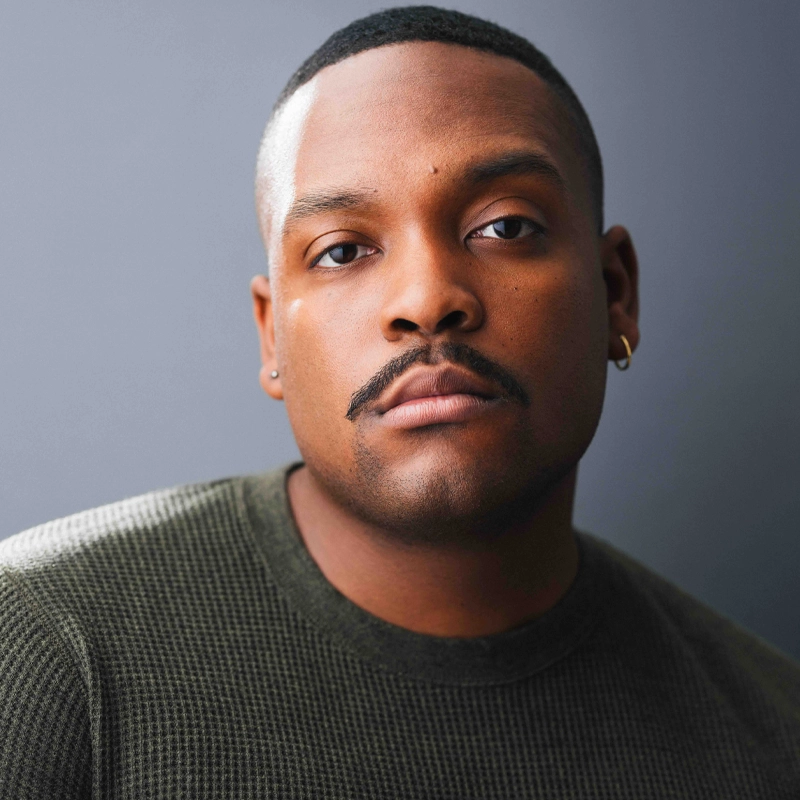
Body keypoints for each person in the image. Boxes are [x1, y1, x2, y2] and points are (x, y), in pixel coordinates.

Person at [1, 5, 798, 797]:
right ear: (272, 335)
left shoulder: (771, 737)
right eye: (342, 250)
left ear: (615, 292)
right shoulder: (42, 646)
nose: (426, 300)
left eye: (505, 227)